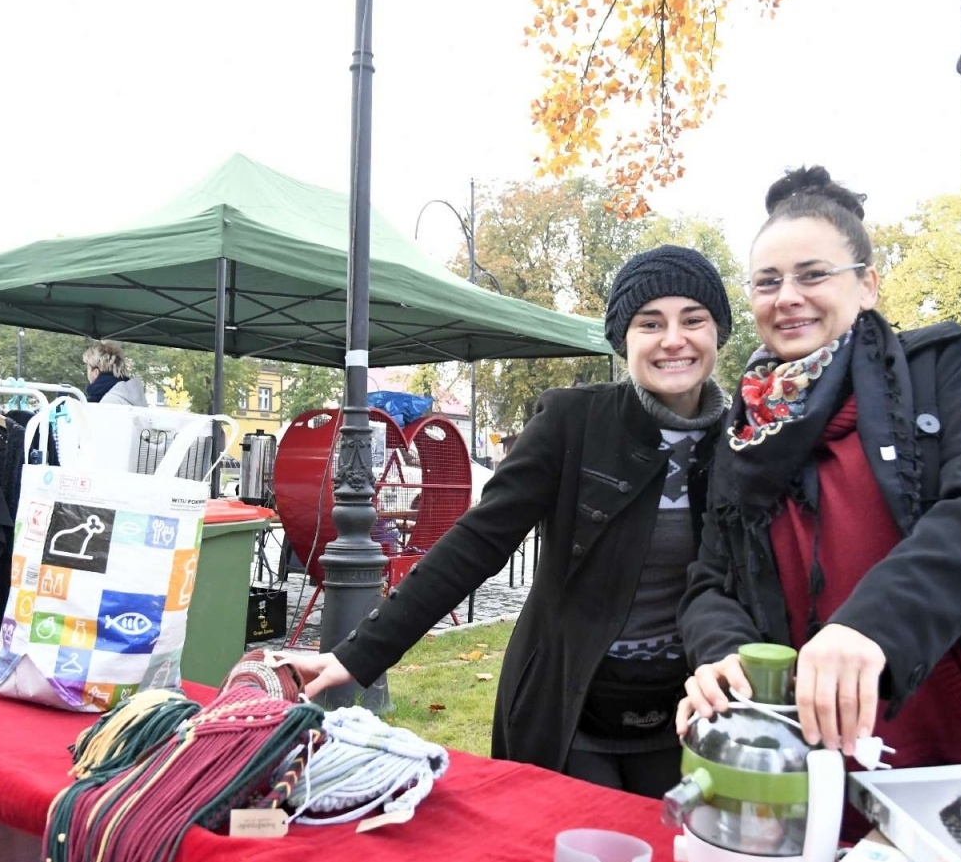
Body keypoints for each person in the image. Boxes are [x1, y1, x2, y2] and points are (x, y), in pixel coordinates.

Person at [676, 167, 961, 832]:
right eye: (767, 281)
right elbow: (710, 583)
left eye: (814, 275)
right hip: (808, 771)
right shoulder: (742, 432)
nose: (788, 297)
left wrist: (872, 625)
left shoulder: (943, 367)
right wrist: (722, 651)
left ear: (866, 284)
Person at [290, 245, 734, 796]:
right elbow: (478, 542)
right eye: (651, 323)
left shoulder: (745, 442)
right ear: (625, 340)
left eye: (693, 320)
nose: (673, 339)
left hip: (688, 719)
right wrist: (358, 653)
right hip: (569, 714)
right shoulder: (574, 422)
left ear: (719, 332)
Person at [83, 341, 147, 405]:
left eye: (88, 369)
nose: (87, 374)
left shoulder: (103, 402)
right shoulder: (133, 394)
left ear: (96, 372)